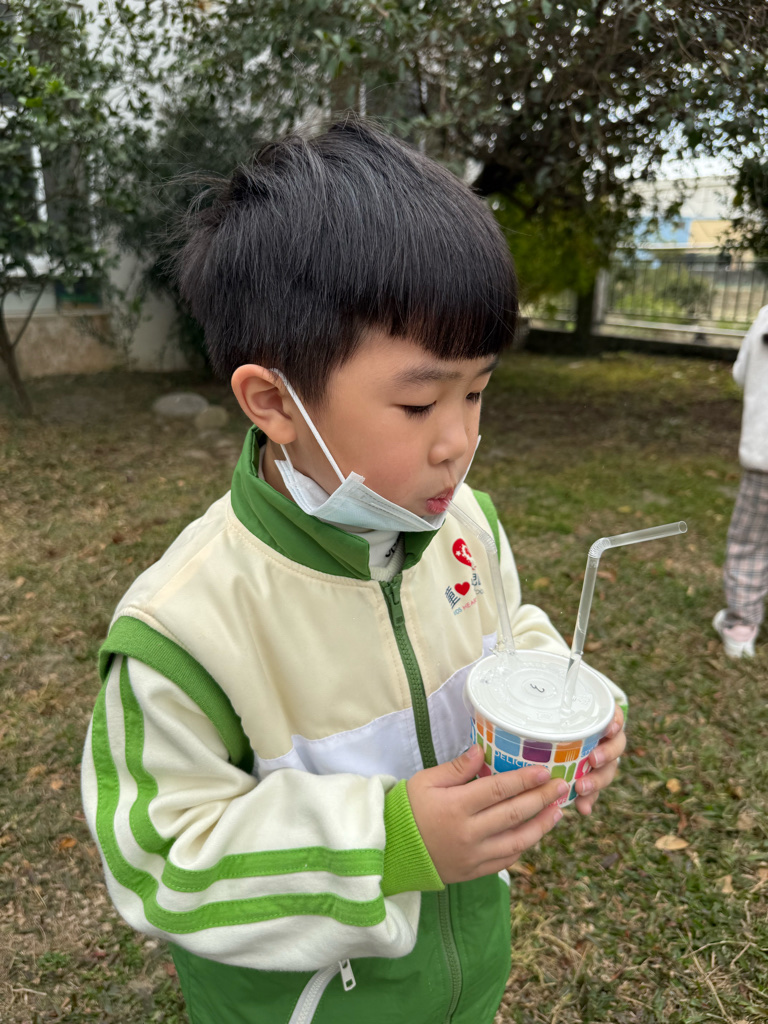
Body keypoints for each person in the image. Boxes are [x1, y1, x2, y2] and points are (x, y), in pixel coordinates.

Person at [81, 118, 625, 1024]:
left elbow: (507, 629)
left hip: (462, 980)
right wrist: (389, 845)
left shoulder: (466, 526)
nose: (459, 442)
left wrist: (566, 698)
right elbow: (159, 859)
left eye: (477, 392)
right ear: (274, 401)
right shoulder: (186, 626)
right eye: (419, 403)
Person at [713, 304, 768, 658]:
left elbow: (741, 374)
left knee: (750, 543)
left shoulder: (766, 317)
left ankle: (741, 628)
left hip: (764, 460)